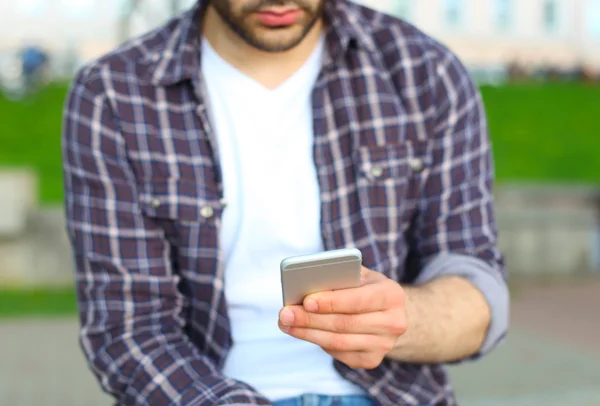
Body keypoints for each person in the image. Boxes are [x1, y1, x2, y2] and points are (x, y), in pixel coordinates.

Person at [62, 0, 509, 405]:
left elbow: (475, 287)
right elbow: (127, 330)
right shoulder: (112, 94)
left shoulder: (424, 72)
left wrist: (404, 318)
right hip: (201, 393)